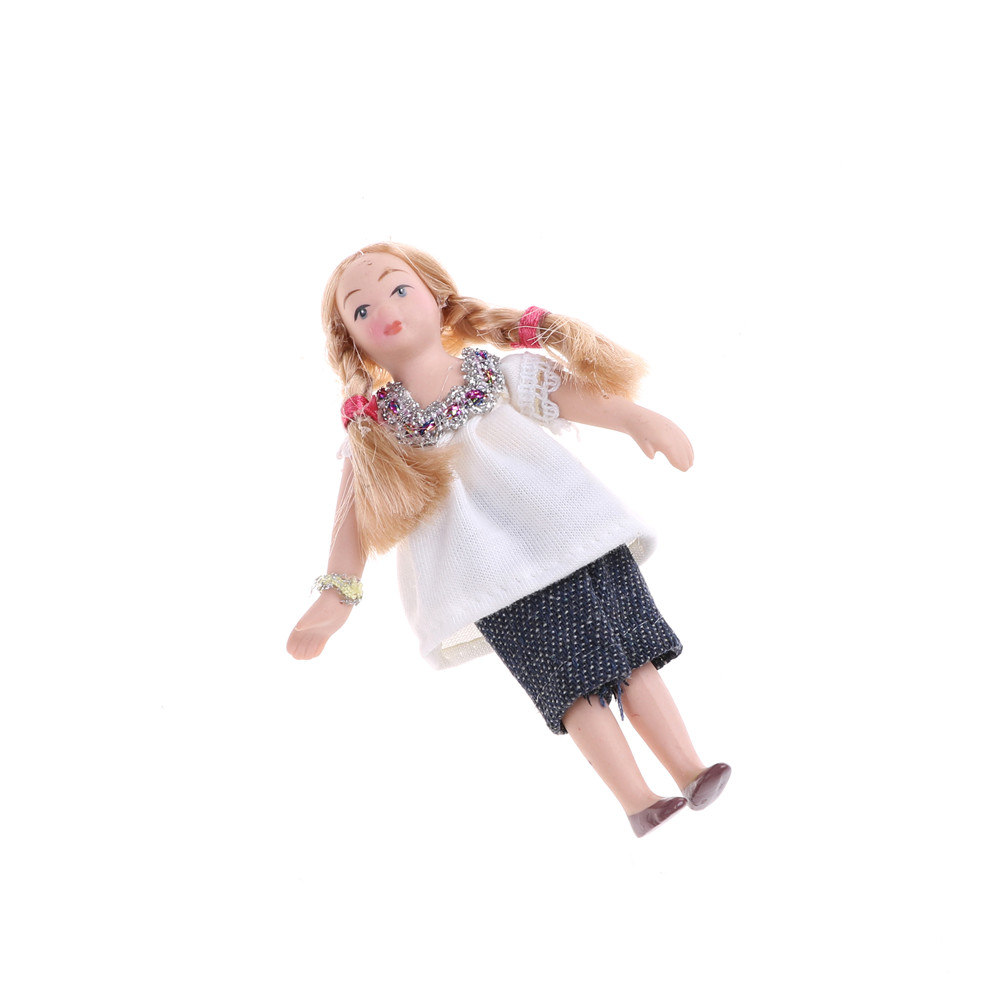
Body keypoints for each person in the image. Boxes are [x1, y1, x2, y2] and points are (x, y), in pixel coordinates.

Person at [287, 242, 730, 837]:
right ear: (352, 340)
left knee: (635, 653)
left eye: (399, 289)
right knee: (575, 686)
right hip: (496, 574)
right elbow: (352, 521)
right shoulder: (375, 432)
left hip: (574, 529)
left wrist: (635, 418)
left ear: (437, 297)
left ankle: (689, 769)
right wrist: (335, 597)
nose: (385, 310)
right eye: (361, 310)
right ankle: (637, 800)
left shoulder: (493, 372)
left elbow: (570, 394)